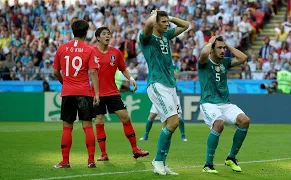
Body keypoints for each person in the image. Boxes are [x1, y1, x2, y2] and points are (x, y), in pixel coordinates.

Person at [139, 10, 189, 175]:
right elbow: (147, 25)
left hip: (170, 85)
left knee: (171, 124)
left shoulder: (166, 35)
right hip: (157, 84)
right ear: (155, 22)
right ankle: (158, 160)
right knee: (173, 122)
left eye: (168, 22)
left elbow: (186, 25)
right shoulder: (146, 38)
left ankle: (163, 163)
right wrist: (153, 16)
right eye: (164, 22)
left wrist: (169, 17)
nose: (168, 24)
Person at [93, 26, 149, 161]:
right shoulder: (91, 52)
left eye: (108, 33)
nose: (107, 36)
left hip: (112, 92)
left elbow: (123, 68)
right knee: (99, 121)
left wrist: (131, 78)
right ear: (98, 37)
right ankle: (103, 154)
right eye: (104, 34)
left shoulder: (116, 52)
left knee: (126, 118)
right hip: (97, 93)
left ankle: (135, 150)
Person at [198, 35, 250, 174]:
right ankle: (208, 164)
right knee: (219, 124)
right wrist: (210, 42)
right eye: (219, 48)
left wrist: (227, 45)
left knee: (245, 121)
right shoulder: (204, 62)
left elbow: (243, 58)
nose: (223, 51)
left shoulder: (225, 62)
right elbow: (203, 53)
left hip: (225, 104)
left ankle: (231, 158)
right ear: (212, 50)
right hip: (209, 103)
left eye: (223, 48)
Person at [53, 20, 100, 168]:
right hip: (84, 92)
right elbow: (93, 72)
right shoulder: (90, 49)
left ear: (73, 32)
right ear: (86, 33)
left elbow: (55, 72)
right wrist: (96, 93)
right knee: (87, 127)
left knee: (67, 127)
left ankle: (65, 161)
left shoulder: (62, 48)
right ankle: (91, 160)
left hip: (68, 92)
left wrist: (65, 83)